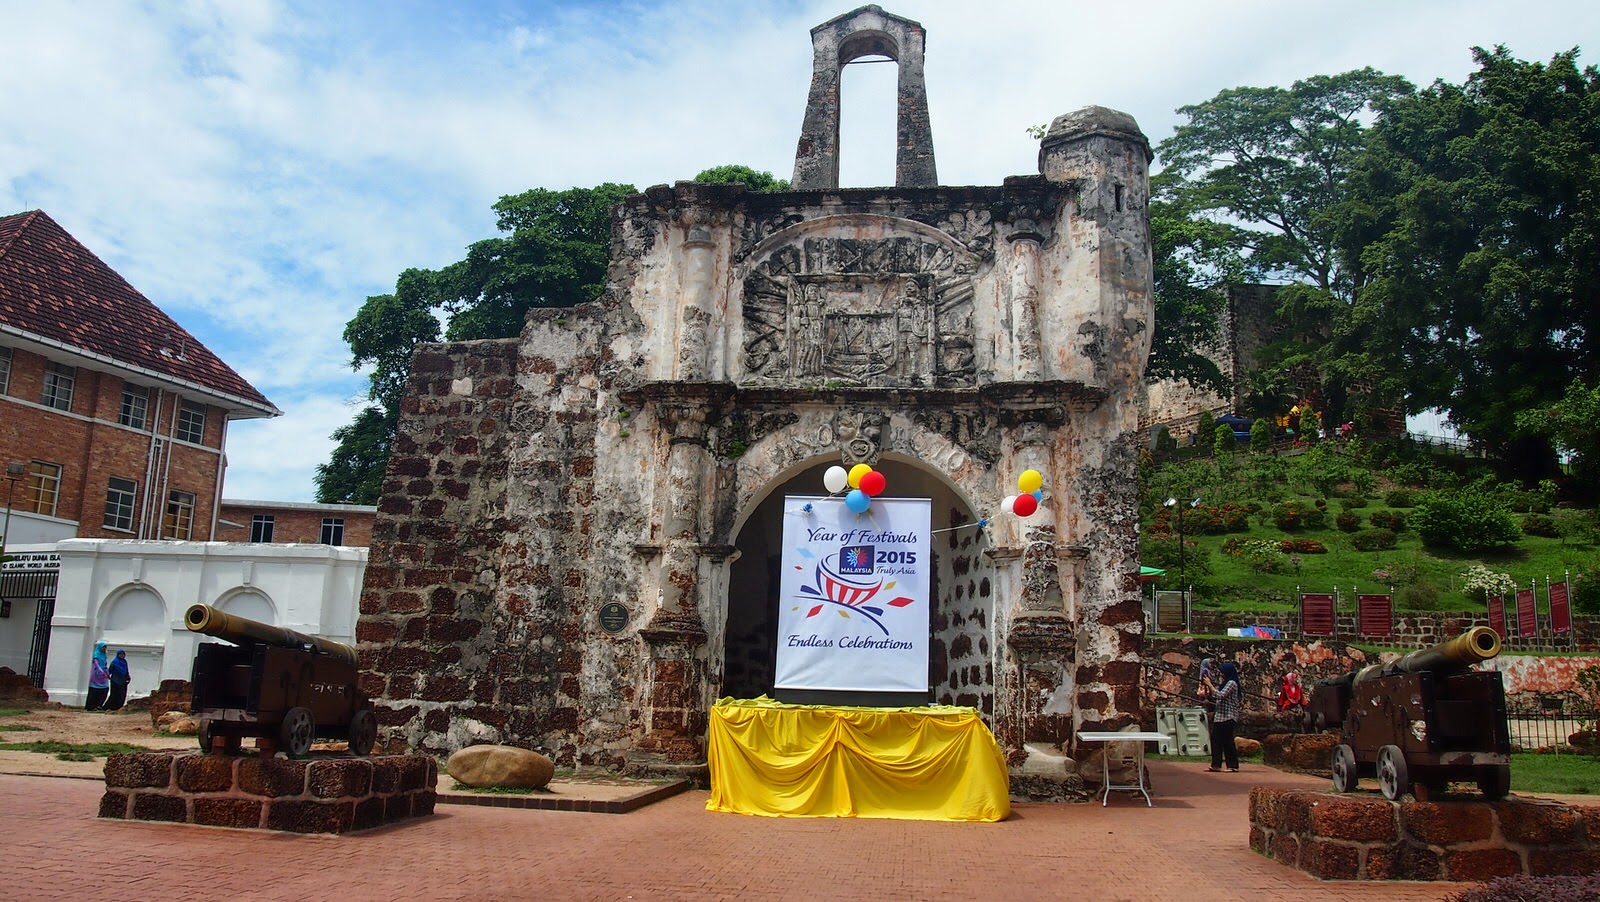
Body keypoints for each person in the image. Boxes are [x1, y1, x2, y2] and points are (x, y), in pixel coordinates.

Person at [1205, 661, 1241, 773]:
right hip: (1221, 716)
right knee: (1221, 740)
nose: (1221, 674)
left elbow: (1220, 695)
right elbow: (1216, 696)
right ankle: (1221, 764)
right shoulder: (1226, 683)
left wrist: (1209, 684)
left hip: (1227, 716)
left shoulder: (1231, 683)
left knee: (1224, 741)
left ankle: (1229, 765)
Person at [86, 641, 110, 711]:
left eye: (105, 647)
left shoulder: (104, 655)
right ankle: (91, 706)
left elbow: (105, 664)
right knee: (94, 691)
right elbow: (96, 664)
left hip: (103, 676)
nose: (104, 649)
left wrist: (107, 673)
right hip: (96, 675)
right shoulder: (96, 654)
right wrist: (101, 672)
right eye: (103, 647)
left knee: (105, 689)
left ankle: (99, 705)